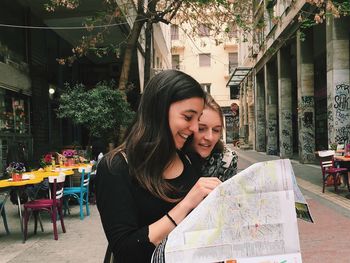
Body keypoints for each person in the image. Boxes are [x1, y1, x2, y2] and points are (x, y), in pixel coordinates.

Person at [95, 70, 221, 263]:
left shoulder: (187, 158)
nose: (195, 128)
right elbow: (125, 251)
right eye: (188, 117)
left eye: (198, 119)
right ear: (159, 111)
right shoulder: (115, 168)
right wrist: (186, 204)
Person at [185, 93, 238, 182]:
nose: (210, 137)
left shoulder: (227, 160)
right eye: (201, 129)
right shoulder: (172, 157)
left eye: (216, 130)